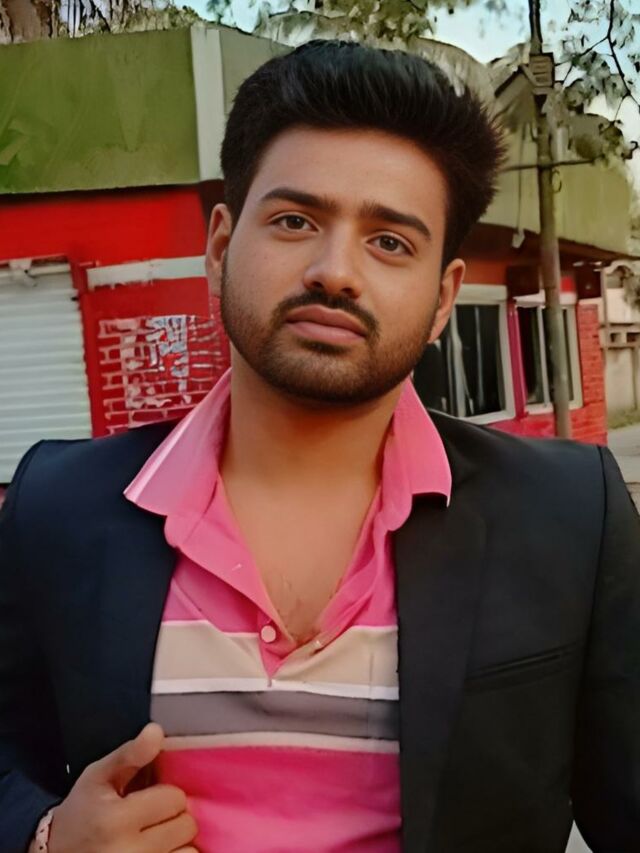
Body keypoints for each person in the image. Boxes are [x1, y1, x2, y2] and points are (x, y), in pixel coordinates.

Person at [0, 39, 638, 853]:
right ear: (221, 246)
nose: (335, 271)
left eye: (390, 241)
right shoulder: (59, 503)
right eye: (295, 221)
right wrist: (47, 835)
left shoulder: (569, 516)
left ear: (444, 298)